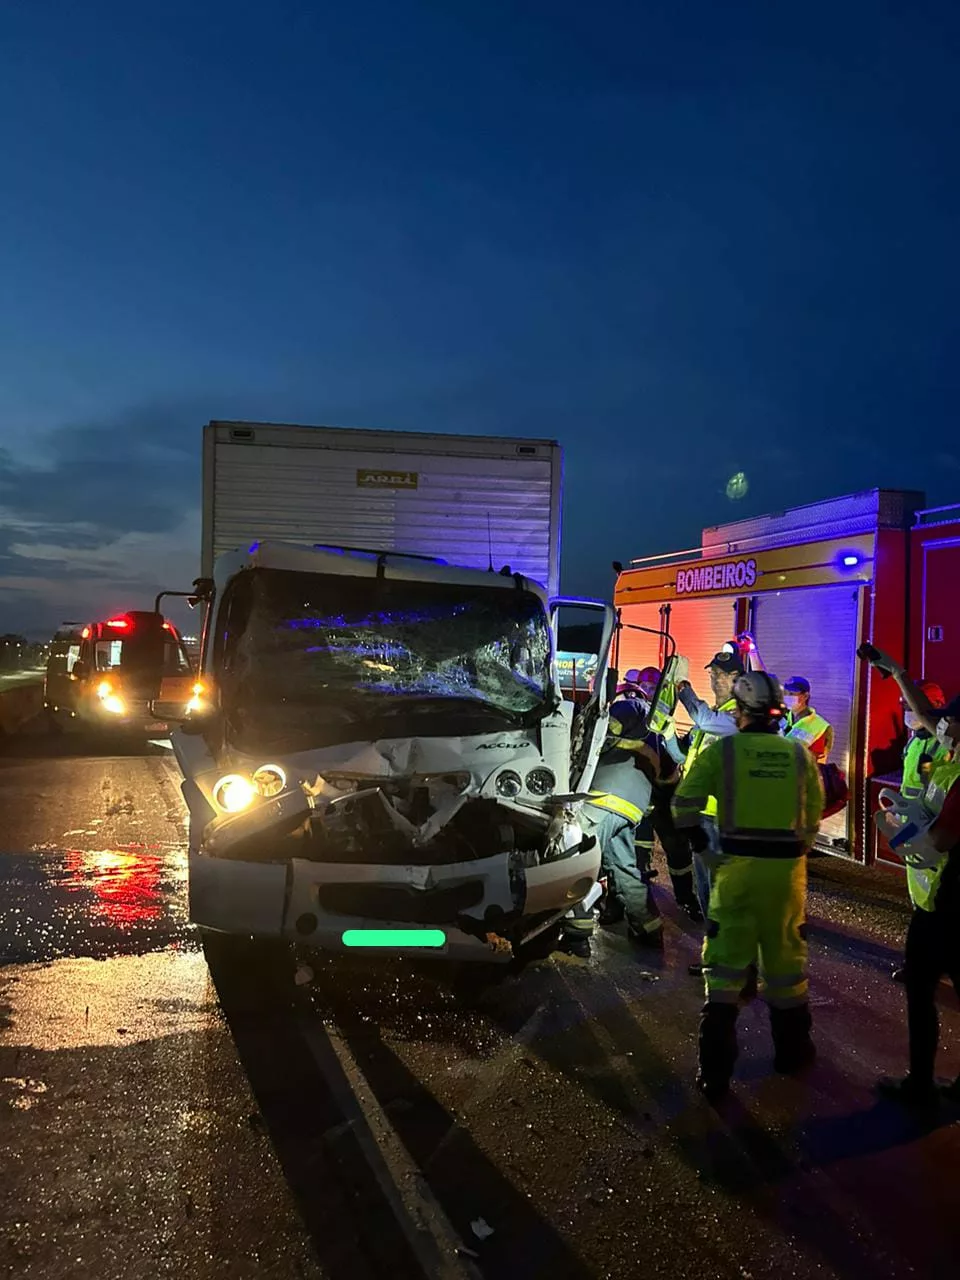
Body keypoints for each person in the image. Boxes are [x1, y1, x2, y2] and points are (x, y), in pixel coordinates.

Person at [670, 671, 824, 1103]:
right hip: (786, 877)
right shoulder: (798, 755)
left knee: (722, 972)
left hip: (734, 870)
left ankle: (715, 1072)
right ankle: (793, 1052)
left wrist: (702, 845)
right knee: (786, 966)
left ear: (740, 712)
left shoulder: (725, 752)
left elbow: (685, 802)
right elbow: (812, 817)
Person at [580, 696, 663, 951]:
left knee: (576, 856)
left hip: (605, 796)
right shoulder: (652, 722)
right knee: (623, 865)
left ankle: (576, 929)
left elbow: (604, 733)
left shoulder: (629, 705)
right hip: (630, 805)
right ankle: (648, 926)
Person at [675, 649, 743, 926]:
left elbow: (703, 719)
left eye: (719, 676)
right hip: (703, 811)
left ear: (736, 678)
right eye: (712, 675)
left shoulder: (740, 714)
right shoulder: (716, 714)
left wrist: (683, 690)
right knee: (705, 884)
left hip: (722, 817)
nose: (713, 680)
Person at [890, 679, 947, 983]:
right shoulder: (915, 741)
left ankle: (927, 967)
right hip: (912, 829)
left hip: (933, 833)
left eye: (911, 706)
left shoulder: (944, 745)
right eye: (904, 706)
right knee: (919, 897)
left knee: (935, 903)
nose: (907, 712)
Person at [781, 677, 834, 763]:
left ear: (805, 696)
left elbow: (817, 760)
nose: (787, 697)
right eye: (785, 693)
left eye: (792, 694)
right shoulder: (782, 718)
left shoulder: (820, 726)